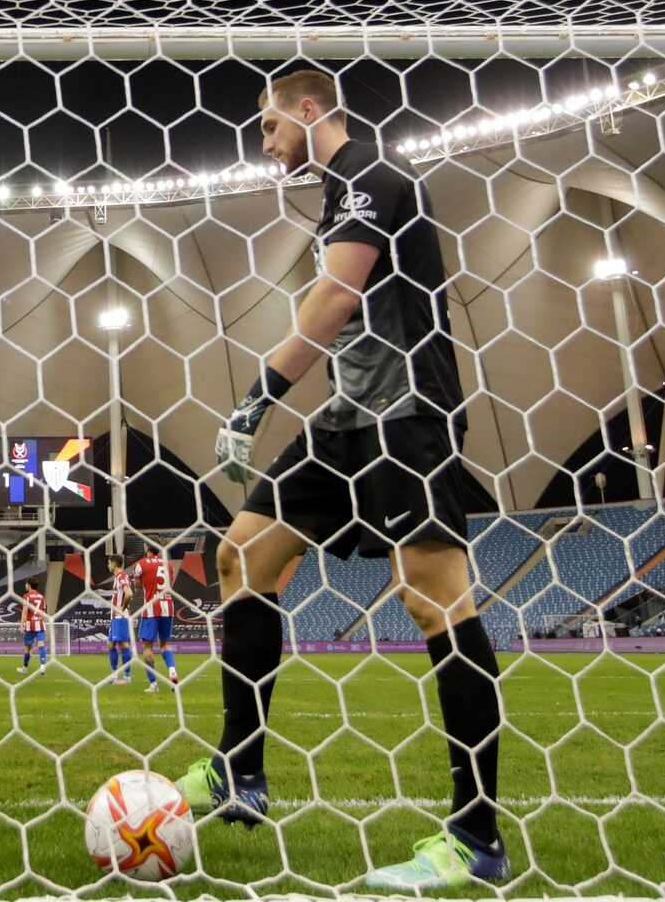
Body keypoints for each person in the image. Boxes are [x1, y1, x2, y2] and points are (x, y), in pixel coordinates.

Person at [176, 69, 507, 890]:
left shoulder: (370, 173)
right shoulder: (336, 192)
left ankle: (475, 838)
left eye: (267, 126)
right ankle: (238, 772)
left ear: (307, 109)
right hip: (347, 416)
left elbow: (333, 296)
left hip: (408, 410)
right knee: (242, 554)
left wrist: (256, 399)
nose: (264, 144)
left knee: (432, 598)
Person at [130, 546, 177, 692]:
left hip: (151, 608)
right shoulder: (169, 565)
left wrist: (138, 586)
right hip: (168, 606)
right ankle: (172, 670)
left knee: (147, 647)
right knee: (164, 644)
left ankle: (153, 684)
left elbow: (138, 589)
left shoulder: (140, 564)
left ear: (147, 547)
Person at [105, 554, 134, 685]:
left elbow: (129, 593)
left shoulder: (122, 576)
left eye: (109, 563)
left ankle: (127, 677)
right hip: (115, 616)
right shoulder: (118, 577)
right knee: (110, 644)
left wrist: (122, 607)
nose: (108, 565)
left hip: (120, 616)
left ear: (114, 564)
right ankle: (114, 674)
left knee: (123, 645)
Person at [18, 577, 47, 676]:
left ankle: (25, 668)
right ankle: (42, 666)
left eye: (26, 584)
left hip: (30, 624)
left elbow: (25, 611)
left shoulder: (27, 596)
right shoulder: (41, 596)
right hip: (40, 623)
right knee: (41, 644)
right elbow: (43, 611)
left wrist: (22, 625)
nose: (25, 585)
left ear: (29, 585)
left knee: (27, 647)